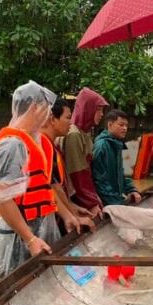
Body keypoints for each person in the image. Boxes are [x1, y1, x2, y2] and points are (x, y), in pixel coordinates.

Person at [0, 81, 60, 281]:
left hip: (38, 228)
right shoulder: (12, 145)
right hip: (19, 237)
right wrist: (30, 238)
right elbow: (1, 198)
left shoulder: (36, 141)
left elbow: (46, 186)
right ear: (34, 107)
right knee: (12, 285)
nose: (49, 115)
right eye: (46, 109)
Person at [40, 98, 96, 235]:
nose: (71, 123)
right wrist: (71, 215)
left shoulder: (51, 146)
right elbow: (51, 187)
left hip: (54, 215)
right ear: (53, 119)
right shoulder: (43, 147)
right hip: (45, 220)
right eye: (67, 118)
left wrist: (72, 207)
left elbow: (56, 185)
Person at [62, 87, 108, 217]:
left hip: (83, 197)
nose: (101, 114)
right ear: (88, 109)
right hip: (76, 201)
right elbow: (77, 175)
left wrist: (94, 198)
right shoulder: (74, 135)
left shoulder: (85, 133)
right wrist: (91, 203)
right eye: (98, 109)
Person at [92, 109, 141, 206]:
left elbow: (120, 174)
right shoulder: (102, 146)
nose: (125, 128)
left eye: (126, 125)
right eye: (121, 125)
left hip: (115, 200)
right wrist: (116, 202)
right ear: (110, 125)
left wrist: (132, 190)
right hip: (106, 203)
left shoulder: (116, 144)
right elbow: (99, 181)